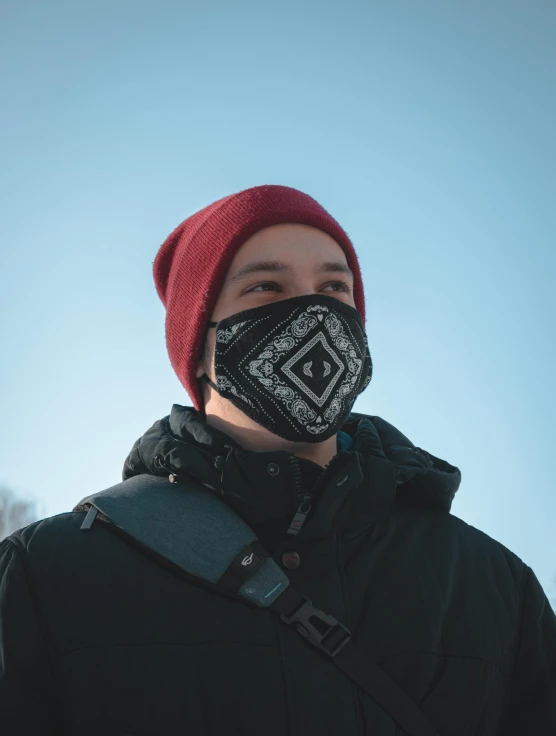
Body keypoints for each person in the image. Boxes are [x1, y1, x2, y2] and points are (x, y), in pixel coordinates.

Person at [1, 185, 554, 735]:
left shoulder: (493, 587)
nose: (314, 312)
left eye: (335, 287)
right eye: (267, 287)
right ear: (198, 346)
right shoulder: (44, 576)